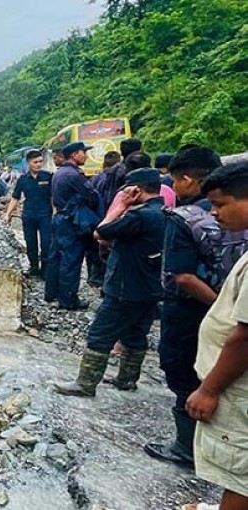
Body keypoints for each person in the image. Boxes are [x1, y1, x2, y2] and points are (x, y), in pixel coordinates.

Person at [144, 148, 248, 468]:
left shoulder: (184, 219)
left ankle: (187, 446)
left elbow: (183, 276)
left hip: (192, 311)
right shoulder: (236, 217)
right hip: (229, 309)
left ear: (188, 179)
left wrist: (222, 310)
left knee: (184, 373)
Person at [53, 169, 166, 396]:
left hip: (125, 286)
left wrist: (120, 207)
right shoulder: (164, 212)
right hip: (149, 287)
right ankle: (127, 379)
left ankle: (85, 384)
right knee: (135, 333)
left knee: (100, 333)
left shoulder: (138, 217)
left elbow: (101, 231)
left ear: (137, 189)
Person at [182, 162, 248, 510]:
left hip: (237, 388)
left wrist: (209, 389)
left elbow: (245, 335)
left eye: (221, 205)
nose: (214, 213)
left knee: (241, 471)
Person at [43, 142, 100, 309]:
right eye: (84, 153)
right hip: (70, 221)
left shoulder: (59, 173)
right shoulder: (74, 175)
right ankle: (68, 300)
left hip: (60, 218)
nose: (86, 156)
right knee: (71, 259)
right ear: (75, 155)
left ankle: (51, 293)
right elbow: (92, 197)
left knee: (56, 256)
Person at [4, 149, 53, 278]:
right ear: (28, 163)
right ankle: (34, 267)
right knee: (30, 243)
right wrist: (8, 214)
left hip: (45, 215)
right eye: (35, 162)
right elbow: (15, 198)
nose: (38, 164)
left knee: (46, 243)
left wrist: (55, 213)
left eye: (40, 162)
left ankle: (46, 270)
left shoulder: (48, 177)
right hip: (29, 215)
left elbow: (53, 197)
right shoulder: (23, 180)